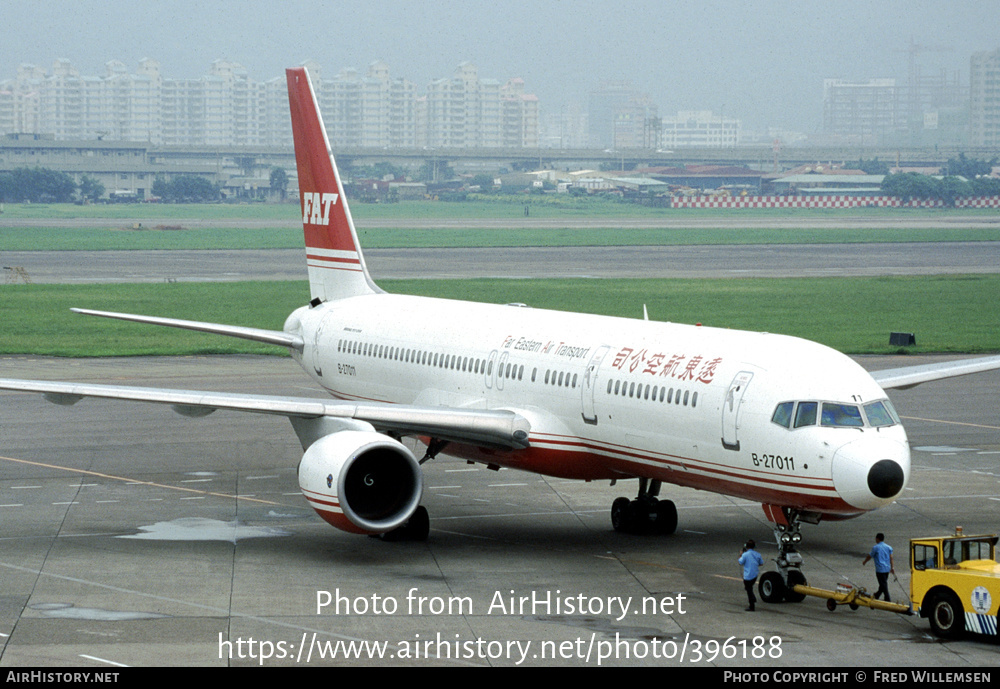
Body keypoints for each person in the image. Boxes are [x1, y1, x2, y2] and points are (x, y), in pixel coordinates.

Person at [862, 533, 894, 601]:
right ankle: (877, 595)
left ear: (877, 538)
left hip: (880, 569)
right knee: (883, 583)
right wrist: (892, 567)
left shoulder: (876, 547)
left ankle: (887, 598)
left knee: (883, 584)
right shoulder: (889, 547)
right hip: (887, 569)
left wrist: (865, 561)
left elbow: (869, 556)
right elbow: (891, 558)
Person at [739, 539, 765, 611]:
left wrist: (740, 554)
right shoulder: (758, 554)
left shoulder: (745, 554)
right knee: (749, 588)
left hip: (747, 575)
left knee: (749, 590)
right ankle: (753, 599)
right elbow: (761, 563)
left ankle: (752, 604)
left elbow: (740, 562)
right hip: (755, 574)